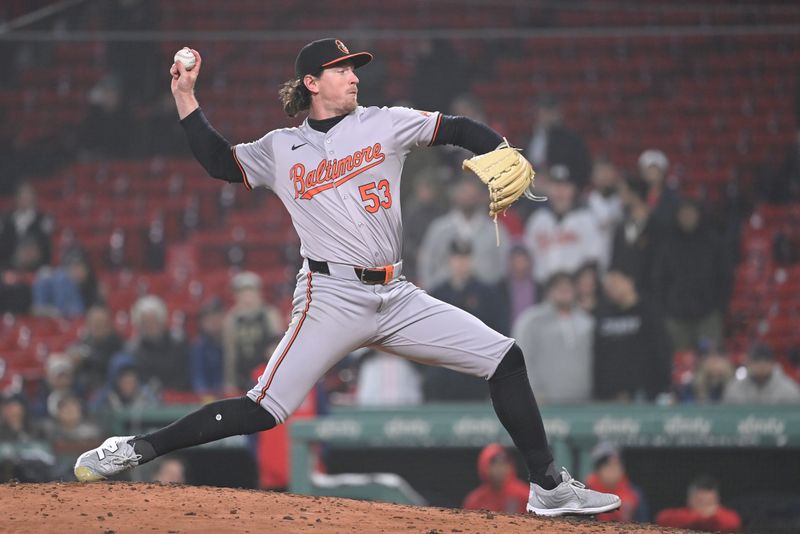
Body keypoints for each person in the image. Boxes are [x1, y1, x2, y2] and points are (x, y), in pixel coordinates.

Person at [74, 39, 619, 517]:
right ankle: (136, 448)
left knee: (505, 357)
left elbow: (456, 127)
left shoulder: (384, 121)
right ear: (312, 83)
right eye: (340, 68)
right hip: (330, 294)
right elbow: (219, 161)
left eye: (354, 67)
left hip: (396, 294)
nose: (354, 75)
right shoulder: (282, 148)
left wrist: (496, 147)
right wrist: (185, 96)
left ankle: (548, 487)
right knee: (265, 409)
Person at [653, 199, 731, 351]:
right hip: (676, 319)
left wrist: (719, 309)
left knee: (710, 362)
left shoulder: (713, 242)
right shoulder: (667, 245)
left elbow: (725, 277)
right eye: (683, 214)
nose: (687, 217)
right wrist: (665, 309)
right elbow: (659, 279)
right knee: (679, 365)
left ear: (698, 215)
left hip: (708, 318)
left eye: (691, 213)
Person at [512, 272, 594, 404]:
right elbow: (522, 357)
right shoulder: (532, 321)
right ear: (549, 291)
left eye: (569, 289)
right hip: (544, 400)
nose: (565, 293)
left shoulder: (587, 321)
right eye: (560, 289)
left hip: (583, 398)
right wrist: (532, 391)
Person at [418, 176, 510, 290]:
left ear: (480, 197)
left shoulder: (495, 230)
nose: (468, 197)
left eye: (473, 195)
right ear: (455, 196)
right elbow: (426, 262)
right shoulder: (439, 229)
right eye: (464, 193)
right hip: (443, 296)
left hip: (484, 296)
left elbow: (504, 265)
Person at [593, 268, 672, 402]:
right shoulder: (603, 315)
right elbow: (598, 356)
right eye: (608, 286)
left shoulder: (649, 312)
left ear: (629, 282)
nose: (610, 289)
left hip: (644, 394)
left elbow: (661, 350)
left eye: (614, 283)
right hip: (611, 396)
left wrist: (663, 387)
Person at [524, 164, 602, 287]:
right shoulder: (537, 219)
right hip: (542, 288)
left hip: (575, 289)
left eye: (565, 186)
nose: (560, 192)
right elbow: (527, 258)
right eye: (555, 186)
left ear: (574, 190)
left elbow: (593, 259)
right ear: (548, 188)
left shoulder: (586, 219)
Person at [223, 272, 284, 392]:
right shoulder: (231, 319)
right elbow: (230, 354)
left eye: (250, 291)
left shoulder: (270, 314)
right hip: (242, 376)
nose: (247, 296)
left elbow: (278, 347)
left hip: (266, 376)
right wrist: (230, 382)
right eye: (243, 292)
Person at [525, 95, 592, 191]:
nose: (546, 116)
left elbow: (582, 170)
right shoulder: (528, 138)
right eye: (543, 111)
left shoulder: (572, 140)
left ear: (558, 113)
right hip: (532, 191)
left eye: (550, 111)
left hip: (562, 191)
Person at [127, 295, 190, 392]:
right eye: (146, 323)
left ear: (162, 321)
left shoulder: (178, 344)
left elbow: (184, 375)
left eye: (153, 321)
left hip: (177, 395)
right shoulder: (134, 351)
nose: (150, 326)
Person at [585, 442, 649, 523]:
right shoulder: (585, 493)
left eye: (617, 465)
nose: (614, 470)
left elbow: (644, 524)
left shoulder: (634, 493)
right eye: (608, 466)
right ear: (598, 470)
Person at [656, 475, 741, 532]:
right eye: (700, 501)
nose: (704, 507)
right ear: (689, 500)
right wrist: (701, 518)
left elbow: (734, 522)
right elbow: (662, 518)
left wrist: (713, 516)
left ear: (718, 501)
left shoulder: (724, 516)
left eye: (709, 502)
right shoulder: (680, 516)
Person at [722, 343, 800, 404]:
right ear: (749, 363)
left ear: (772, 363)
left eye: (766, 361)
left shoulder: (789, 389)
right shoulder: (735, 388)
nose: (761, 366)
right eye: (757, 361)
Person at [0, 181, 54, 270]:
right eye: (22, 196)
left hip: (36, 265)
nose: (25, 199)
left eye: (28, 195)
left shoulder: (41, 219)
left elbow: (46, 245)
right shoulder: (7, 219)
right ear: (17, 198)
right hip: (9, 265)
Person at [463, 443, 529, 513]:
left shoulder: (524, 495)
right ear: (484, 466)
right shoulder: (475, 500)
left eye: (503, 464)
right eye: (494, 465)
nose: (499, 469)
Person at [638, 149, 681, 230]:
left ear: (662, 173)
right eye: (648, 171)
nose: (651, 175)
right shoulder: (637, 195)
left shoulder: (673, 198)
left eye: (655, 170)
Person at [190, 297, 226, 395]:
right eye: (209, 318)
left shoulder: (231, 342)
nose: (213, 322)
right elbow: (198, 378)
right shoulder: (199, 346)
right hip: (208, 397)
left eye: (217, 316)